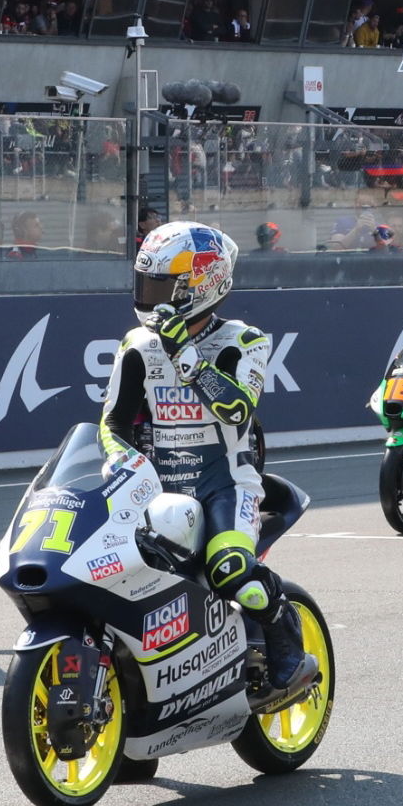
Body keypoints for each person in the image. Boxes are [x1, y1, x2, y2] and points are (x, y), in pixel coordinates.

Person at [98, 221, 316, 703]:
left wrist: (187, 357)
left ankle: (289, 649)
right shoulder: (137, 345)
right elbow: (112, 422)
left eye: (161, 288)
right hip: (155, 490)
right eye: (145, 285)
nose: (150, 298)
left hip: (227, 486)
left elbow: (237, 408)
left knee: (232, 570)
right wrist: (118, 459)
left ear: (203, 286)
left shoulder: (245, 341)